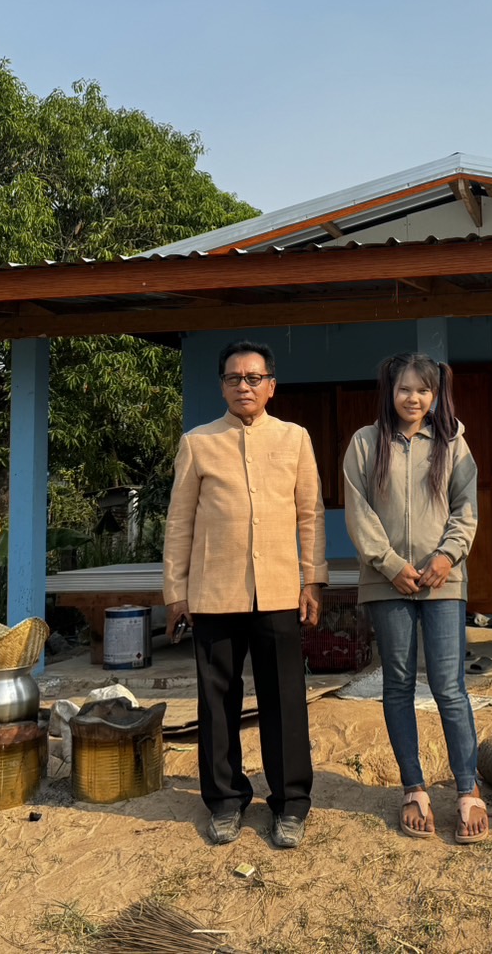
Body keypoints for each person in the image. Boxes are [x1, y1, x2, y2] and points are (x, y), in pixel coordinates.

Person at [163, 339, 327, 850]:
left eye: (254, 378)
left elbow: (310, 515)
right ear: (222, 386)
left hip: (279, 590)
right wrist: (175, 591)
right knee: (217, 702)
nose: (244, 386)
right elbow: (179, 521)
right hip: (214, 593)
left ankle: (291, 803)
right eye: (234, 378)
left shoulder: (295, 439)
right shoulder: (198, 442)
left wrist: (313, 579)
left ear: (271, 386)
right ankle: (225, 801)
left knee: (284, 701)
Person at [342, 353, 486, 843]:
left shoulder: (452, 442)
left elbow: (467, 508)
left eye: (422, 390)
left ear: (435, 395)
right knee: (399, 684)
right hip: (389, 583)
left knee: (450, 687)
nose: (413, 398)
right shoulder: (365, 444)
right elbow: (358, 512)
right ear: (390, 391)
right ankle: (414, 787)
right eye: (405, 389)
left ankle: (467, 790)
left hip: (444, 581)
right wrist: (390, 565)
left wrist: (446, 558)